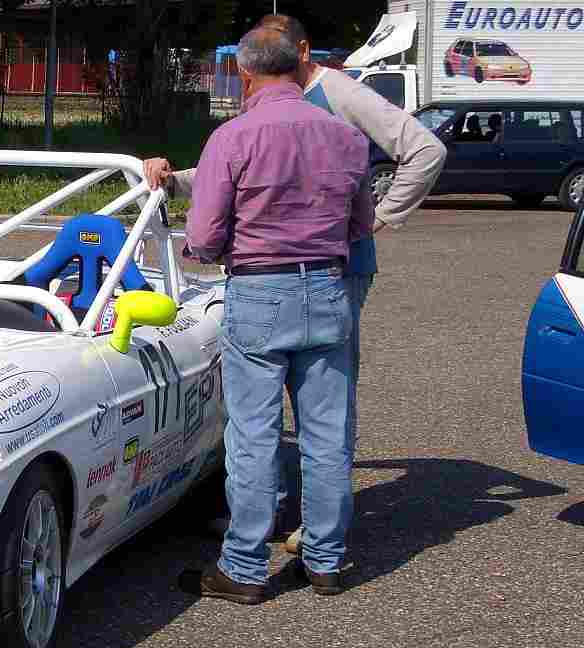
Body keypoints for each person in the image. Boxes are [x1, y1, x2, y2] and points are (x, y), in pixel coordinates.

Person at [144, 13, 446, 552]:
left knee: (274, 419)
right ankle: (313, 537)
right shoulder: (300, 121)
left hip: (321, 271)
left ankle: (260, 540)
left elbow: (425, 150)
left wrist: (383, 217)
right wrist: (175, 178)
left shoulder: (336, 93)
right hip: (326, 272)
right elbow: (247, 168)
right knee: (319, 415)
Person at [176, 27, 373, 603]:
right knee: (328, 433)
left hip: (261, 292)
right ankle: (326, 559)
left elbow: (206, 236)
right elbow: (359, 227)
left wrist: (202, 250)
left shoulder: (232, 138)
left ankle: (242, 567)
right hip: (330, 289)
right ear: (301, 67)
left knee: (255, 435)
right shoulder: (345, 137)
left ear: (244, 73)